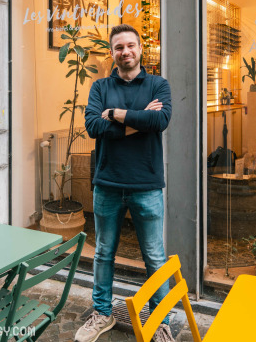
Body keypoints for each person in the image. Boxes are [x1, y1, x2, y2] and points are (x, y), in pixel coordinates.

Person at [75, 24, 174, 342]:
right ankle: (102, 313)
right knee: (103, 252)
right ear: (112, 52)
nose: (125, 51)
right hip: (107, 183)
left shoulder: (159, 84)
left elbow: (159, 121)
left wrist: (116, 114)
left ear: (141, 48)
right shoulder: (99, 86)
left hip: (146, 184)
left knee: (155, 256)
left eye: (131, 45)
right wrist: (137, 120)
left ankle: (162, 321)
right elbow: (93, 127)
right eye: (119, 47)